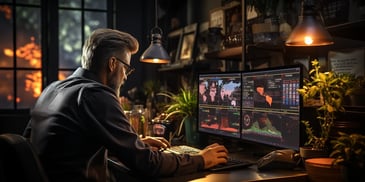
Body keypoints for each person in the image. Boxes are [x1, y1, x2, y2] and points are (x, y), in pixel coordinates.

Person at [23, 28, 228, 182]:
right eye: (127, 69)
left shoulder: (53, 89)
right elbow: (148, 165)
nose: (126, 78)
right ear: (113, 64)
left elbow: (61, 148)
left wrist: (134, 143)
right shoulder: (95, 94)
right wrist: (202, 159)